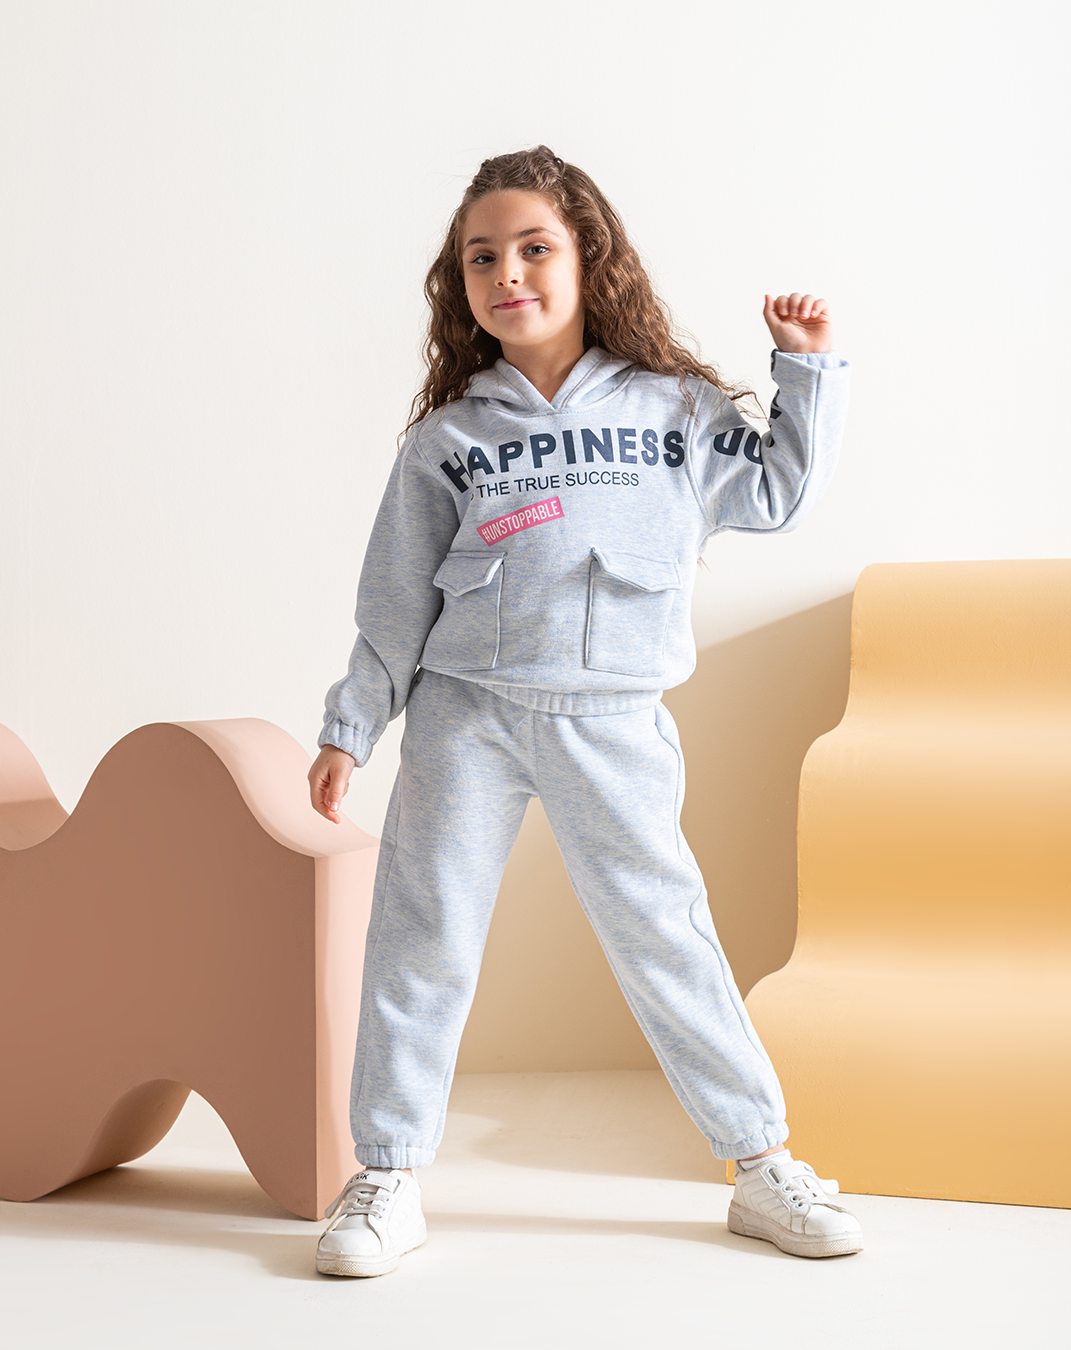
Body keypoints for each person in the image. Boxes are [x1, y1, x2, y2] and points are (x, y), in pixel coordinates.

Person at [307, 146, 862, 1277]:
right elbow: (394, 597)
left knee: (665, 935)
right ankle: (388, 1172)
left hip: (611, 719)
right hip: (465, 715)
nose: (507, 273)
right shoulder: (450, 440)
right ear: (459, 284)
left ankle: (761, 1164)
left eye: (534, 248)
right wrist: (351, 726)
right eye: (481, 258)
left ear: (589, 259)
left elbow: (775, 494)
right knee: (423, 934)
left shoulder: (675, 409)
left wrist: (805, 372)